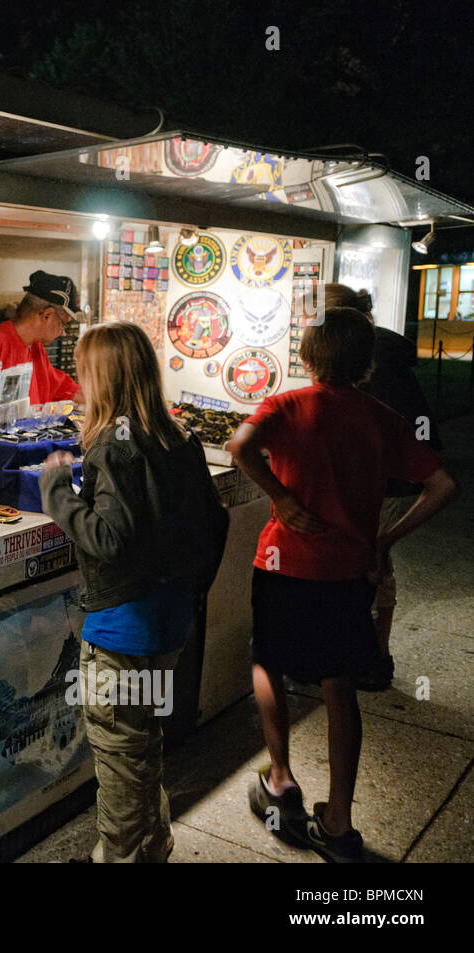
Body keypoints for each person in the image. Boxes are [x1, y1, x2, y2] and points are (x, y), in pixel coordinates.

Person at [226, 307, 458, 862]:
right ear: (367, 364)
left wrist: (281, 498)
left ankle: (280, 781)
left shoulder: (285, 404)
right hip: (348, 571)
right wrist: (383, 540)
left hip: (283, 564)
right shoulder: (381, 417)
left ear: (307, 358)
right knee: (339, 685)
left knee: (267, 663)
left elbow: (239, 446)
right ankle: (338, 825)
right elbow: (442, 484)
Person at [41, 321, 228, 863]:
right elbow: (215, 525)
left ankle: (124, 856)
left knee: (121, 761)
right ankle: (152, 845)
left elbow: (109, 538)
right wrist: (190, 591)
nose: (79, 380)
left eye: (84, 370)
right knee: (144, 745)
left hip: (121, 632)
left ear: (104, 376)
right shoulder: (179, 439)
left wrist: (57, 491)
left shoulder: (112, 449)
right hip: (167, 625)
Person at [323, 283, 439, 691]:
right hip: (391, 481)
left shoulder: (370, 364)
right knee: (374, 563)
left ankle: (371, 659)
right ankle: (371, 656)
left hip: (385, 484)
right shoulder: (379, 351)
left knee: (370, 565)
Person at [0, 270, 84, 405]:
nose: (63, 333)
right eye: (63, 324)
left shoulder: (37, 349)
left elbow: (60, 387)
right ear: (47, 315)